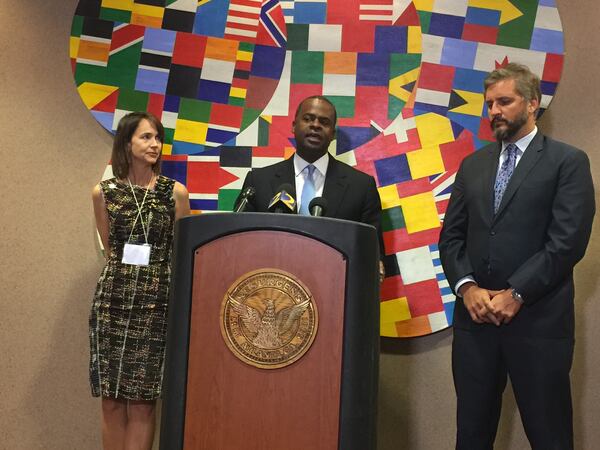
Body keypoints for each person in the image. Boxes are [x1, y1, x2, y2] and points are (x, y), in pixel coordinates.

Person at [438, 63, 595, 449]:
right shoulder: (472, 165)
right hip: (475, 325)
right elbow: (451, 238)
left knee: (549, 435)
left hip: (538, 323)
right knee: (471, 436)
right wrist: (467, 287)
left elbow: (567, 241)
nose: (494, 111)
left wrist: (517, 293)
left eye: (504, 101)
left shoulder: (567, 161)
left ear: (532, 103)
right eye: (489, 103)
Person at [90, 111, 190, 450]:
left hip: (156, 303)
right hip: (113, 301)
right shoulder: (102, 193)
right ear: (127, 143)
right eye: (146, 137)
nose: (155, 144)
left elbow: (181, 252)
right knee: (112, 398)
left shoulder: (174, 193)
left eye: (158, 138)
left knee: (144, 399)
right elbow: (111, 252)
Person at [236, 95, 384, 275]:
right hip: (270, 291)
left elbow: (373, 255)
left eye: (324, 122)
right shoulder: (258, 180)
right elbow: (238, 242)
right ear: (293, 126)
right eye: (308, 119)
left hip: (335, 289)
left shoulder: (361, 186)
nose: (315, 125)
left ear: (333, 134)